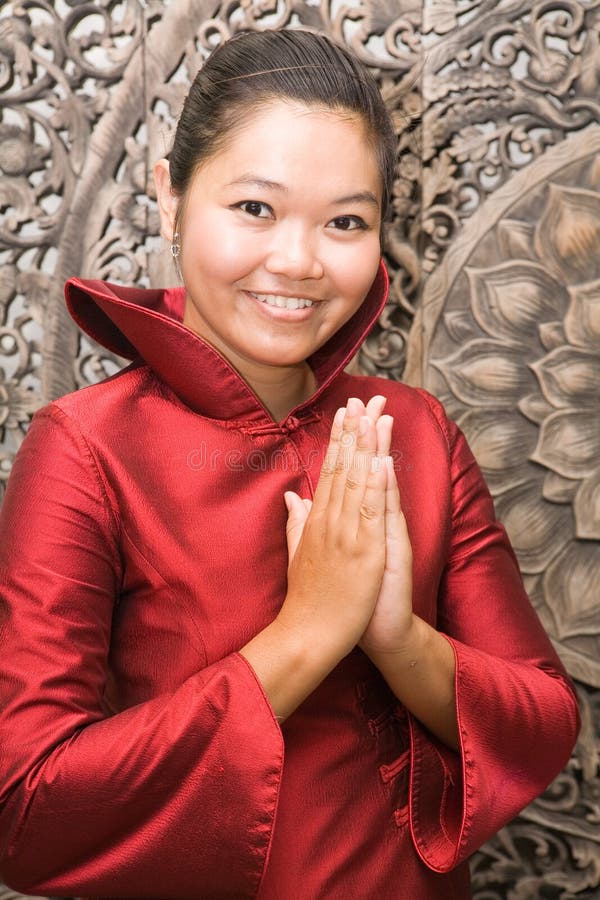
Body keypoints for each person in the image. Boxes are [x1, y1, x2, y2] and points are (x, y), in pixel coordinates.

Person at [0, 28, 579, 900]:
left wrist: (398, 639)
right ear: (170, 197)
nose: (300, 262)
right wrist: (307, 634)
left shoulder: (414, 433)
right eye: (256, 209)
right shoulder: (84, 449)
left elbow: (543, 723)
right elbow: (26, 815)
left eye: (346, 221)